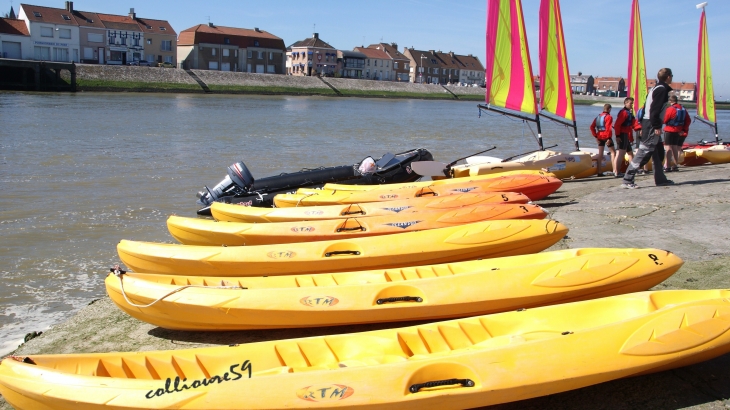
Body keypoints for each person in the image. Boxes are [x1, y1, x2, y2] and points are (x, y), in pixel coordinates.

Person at [621, 68, 674, 189]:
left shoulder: (656, 88)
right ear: (668, 77)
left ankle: (660, 179)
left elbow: (646, 108)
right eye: (672, 76)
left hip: (649, 122)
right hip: (651, 123)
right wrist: (656, 126)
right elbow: (654, 109)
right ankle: (627, 179)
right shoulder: (661, 90)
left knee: (659, 152)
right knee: (644, 152)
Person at [663, 95, 691, 172]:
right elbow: (688, 120)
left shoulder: (670, 109)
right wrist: (684, 129)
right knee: (675, 148)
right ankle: (675, 165)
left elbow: (664, 120)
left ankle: (667, 166)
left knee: (668, 148)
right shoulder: (683, 109)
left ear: (670, 101)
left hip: (669, 130)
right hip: (678, 131)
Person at [613, 97, 637, 178]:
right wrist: (617, 136)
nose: (632, 105)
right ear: (625, 103)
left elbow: (634, 124)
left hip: (626, 135)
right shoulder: (624, 113)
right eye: (630, 103)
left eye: (632, 103)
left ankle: (632, 170)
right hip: (622, 135)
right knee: (620, 154)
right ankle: (617, 172)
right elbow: (617, 125)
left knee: (630, 153)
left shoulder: (629, 112)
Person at [589, 104, 615, 176]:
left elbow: (591, 127)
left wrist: (595, 136)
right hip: (606, 137)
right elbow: (608, 128)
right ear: (609, 109)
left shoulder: (598, 117)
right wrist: (609, 138)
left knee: (600, 154)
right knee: (613, 153)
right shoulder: (609, 117)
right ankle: (615, 170)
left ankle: (599, 171)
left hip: (599, 137)